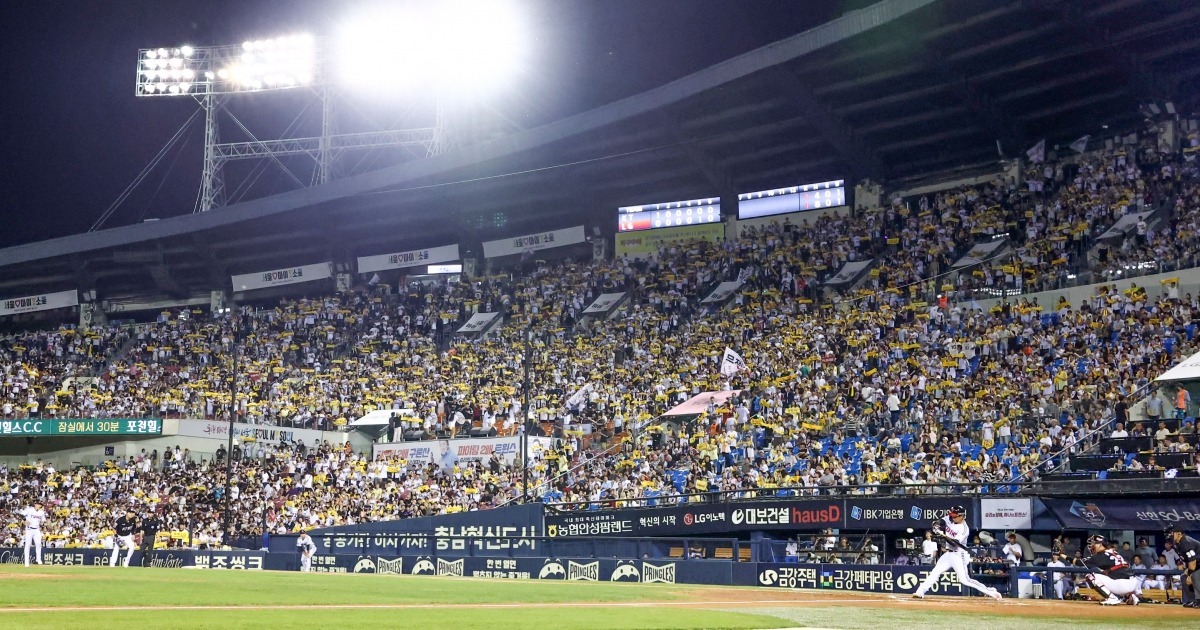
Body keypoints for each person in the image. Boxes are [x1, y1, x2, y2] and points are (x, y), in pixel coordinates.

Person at [911, 506, 1003, 600]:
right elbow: (940, 521)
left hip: (959, 554)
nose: (953, 518)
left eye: (955, 516)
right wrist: (936, 525)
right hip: (948, 554)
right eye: (952, 515)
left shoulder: (964, 529)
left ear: (962, 516)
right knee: (935, 572)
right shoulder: (951, 518)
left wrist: (943, 536)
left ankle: (989, 591)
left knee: (965, 580)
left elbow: (954, 543)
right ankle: (920, 592)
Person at [1079, 535, 1139, 605]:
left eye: (1094, 543)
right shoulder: (1114, 552)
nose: (1091, 546)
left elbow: (1079, 562)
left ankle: (1112, 598)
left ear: (1101, 544)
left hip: (1123, 584)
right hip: (1134, 582)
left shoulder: (1101, 555)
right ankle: (1131, 596)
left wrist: (1063, 555)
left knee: (1091, 577)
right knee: (1109, 576)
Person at [1166, 525, 1200, 607]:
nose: (1169, 535)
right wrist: (1187, 572)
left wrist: (1190, 574)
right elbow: (1187, 559)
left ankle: (1199, 600)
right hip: (1197, 564)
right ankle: (1193, 600)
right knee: (1183, 577)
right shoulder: (1177, 543)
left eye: (1171, 533)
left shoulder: (1186, 542)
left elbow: (1193, 561)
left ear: (1179, 534)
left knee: (1194, 577)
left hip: (1196, 563)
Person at [21, 501, 46, 567]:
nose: (39, 506)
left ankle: (39, 559)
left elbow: (43, 520)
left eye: (40, 505)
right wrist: (25, 520)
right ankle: (26, 562)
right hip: (29, 529)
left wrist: (42, 524)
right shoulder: (29, 510)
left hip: (37, 529)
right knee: (28, 545)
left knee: (38, 544)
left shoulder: (41, 512)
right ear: (35, 504)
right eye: (38, 504)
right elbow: (21, 514)